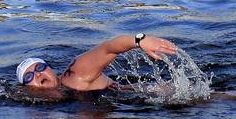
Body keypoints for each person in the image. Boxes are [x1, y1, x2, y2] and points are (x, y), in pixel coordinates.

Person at [16, 33, 177, 93]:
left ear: (50, 69)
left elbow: (109, 48)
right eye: (29, 76)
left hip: (159, 96)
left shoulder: (76, 73)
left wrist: (140, 40)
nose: (37, 74)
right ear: (26, 89)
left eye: (40, 67)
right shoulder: (40, 110)